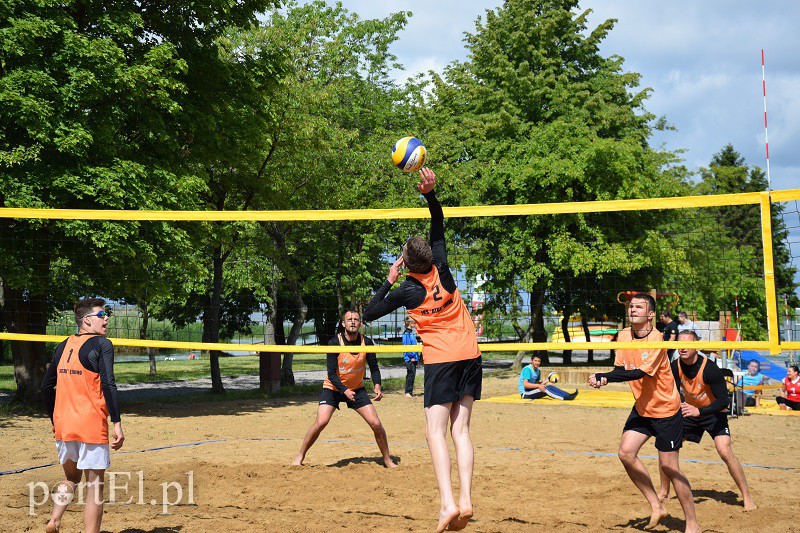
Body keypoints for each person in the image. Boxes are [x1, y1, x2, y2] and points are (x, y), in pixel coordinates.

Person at [363, 167, 481, 532]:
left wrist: (388, 280)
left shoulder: (407, 291)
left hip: (442, 359)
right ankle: (466, 500)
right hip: (470, 353)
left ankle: (447, 504)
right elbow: (438, 222)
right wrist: (429, 193)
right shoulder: (443, 268)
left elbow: (368, 313)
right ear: (428, 257)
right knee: (460, 431)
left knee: (434, 432)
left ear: (407, 263)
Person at [589, 294, 699, 533]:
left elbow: (639, 373)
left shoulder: (658, 339)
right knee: (625, 453)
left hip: (666, 410)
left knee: (669, 467)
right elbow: (620, 369)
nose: (633, 309)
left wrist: (604, 377)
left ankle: (692, 523)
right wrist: (605, 377)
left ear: (650, 315)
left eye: (639, 307)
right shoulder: (624, 335)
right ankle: (656, 506)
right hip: (642, 406)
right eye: (631, 306)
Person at [40, 298, 124, 533]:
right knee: (94, 485)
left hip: (65, 424)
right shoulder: (102, 344)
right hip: (90, 424)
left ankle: (55, 519)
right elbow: (109, 384)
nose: (106, 318)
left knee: (71, 478)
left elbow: (46, 388)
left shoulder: (63, 345)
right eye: (101, 315)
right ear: (87, 320)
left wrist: (54, 421)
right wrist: (117, 422)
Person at [657, 330, 756, 510]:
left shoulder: (710, 368)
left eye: (688, 344)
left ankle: (747, 497)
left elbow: (724, 400)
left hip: (713, 413)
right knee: (666, 445)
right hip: (690, 412)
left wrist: (699, 410)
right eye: (680, 344)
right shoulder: (675, 365)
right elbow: (669, 390)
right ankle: (664, 491)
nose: (683, 348)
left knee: (724, 451)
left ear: (697, 347)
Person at [292, 309, 396, 468]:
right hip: (333, 388)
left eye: (356, 319)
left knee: (375, 423)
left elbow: (374, 368)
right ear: (343, 324)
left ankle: (387, 459)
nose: (353, 322)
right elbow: (331, 374)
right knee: (321, 422)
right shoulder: (334, 342)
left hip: (356, 388)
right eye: (349, 319)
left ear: (360, 323)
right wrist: (344, 390)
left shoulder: (366, 342)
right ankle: (299, 456)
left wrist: (377, 385)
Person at [402, 316, 420, 397]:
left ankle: (410, 392)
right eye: (414, 322)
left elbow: (414, 346)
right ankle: (407, 392)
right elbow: (407, 348)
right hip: (409, 358)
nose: (415, 323)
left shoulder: (411, 333)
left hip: (414, 357)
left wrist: (416, 357)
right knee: (410, 374)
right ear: (410, 323)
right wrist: (412, 357)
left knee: (412, 374)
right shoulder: (406, 334)